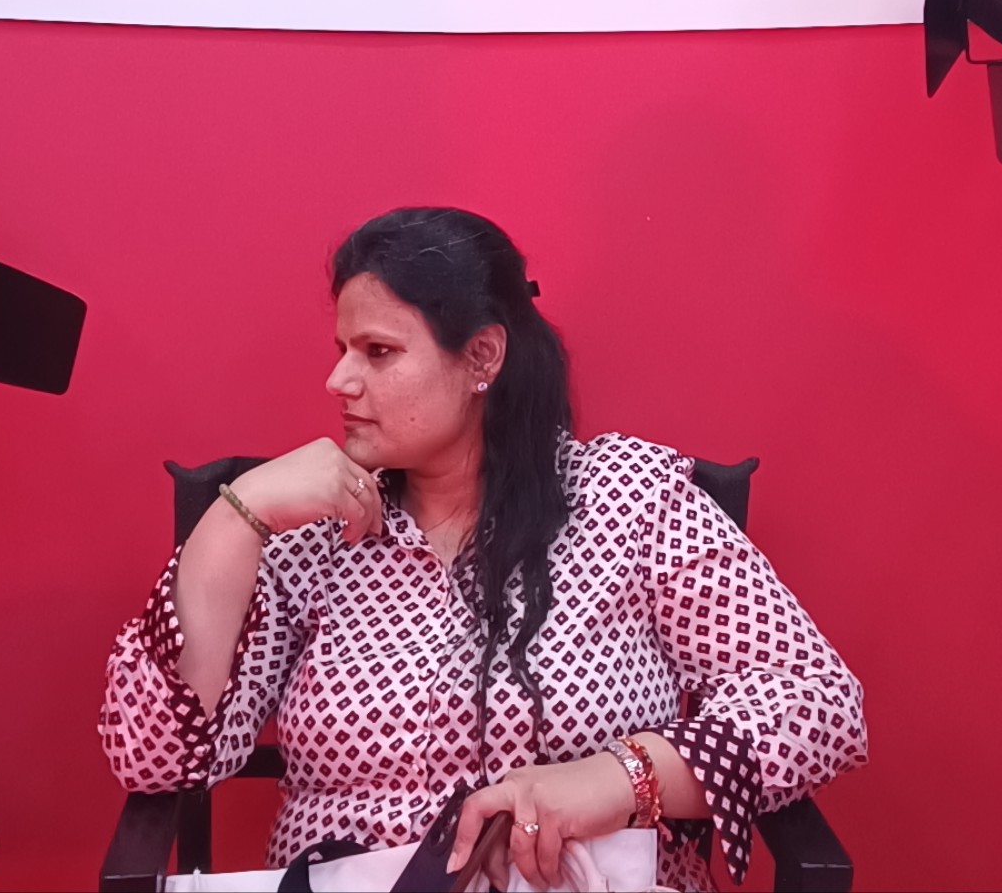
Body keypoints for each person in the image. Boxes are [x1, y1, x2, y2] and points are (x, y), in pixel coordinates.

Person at [100, 207, 867, 892]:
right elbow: (153, 756)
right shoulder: (312, 530)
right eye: (342, 349)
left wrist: (619, 778)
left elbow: (818, 703)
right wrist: (235, 517)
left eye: (377, 351)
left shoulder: (627, 500)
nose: (338, 380)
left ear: (482, 358)